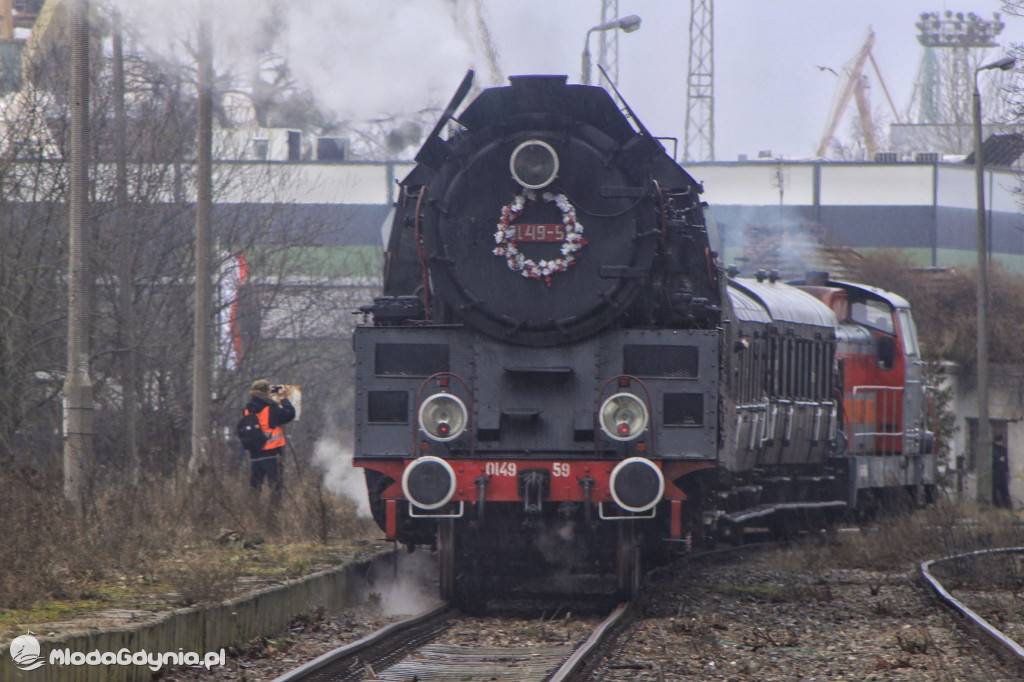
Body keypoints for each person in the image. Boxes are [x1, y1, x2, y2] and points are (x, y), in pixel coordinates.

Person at [243, 379, 296, 504]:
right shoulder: (271, 408)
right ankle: (273, 517)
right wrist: (283, 398)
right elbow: (290, 414)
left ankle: (252, 515)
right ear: (266, 392)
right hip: (272, 454)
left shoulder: (247, 409)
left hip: (255, 455)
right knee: (275, 488)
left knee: (255, 488)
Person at [992, 433, 1011, 509]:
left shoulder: (1003, 450)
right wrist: (999, 460)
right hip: (995, 473)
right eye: (1000, 441)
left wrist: (1006, 470)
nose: (1002, 443)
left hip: (1002, 473)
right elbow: (991, 461)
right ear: (998, 441)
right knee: (994, 491)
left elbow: (1006, 461)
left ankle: (1006, 506)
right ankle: (996, 506)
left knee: (1004, 491)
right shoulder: (993, 449)